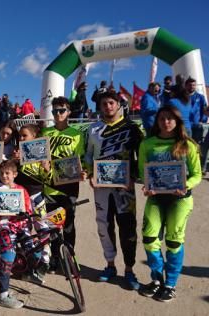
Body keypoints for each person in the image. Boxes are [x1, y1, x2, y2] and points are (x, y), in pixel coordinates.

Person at [138, 105, 201, 302]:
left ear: (177, 121)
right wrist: (146, 185)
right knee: (149, 239)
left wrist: (186, 184)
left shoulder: (187, 145)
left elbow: (197, 174)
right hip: (156, 197)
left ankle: (170, 284)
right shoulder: (147, 144)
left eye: (170, 118)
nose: (166, 122)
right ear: (157, 122)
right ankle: (157, 279)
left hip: (180, 200)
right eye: (162, 118)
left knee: (174, 242)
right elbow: (143, 171)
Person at [84, 91, 144, 290]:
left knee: (127, 227)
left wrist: (133, 177)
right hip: (101, 187)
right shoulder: (93, 129)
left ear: (119, 104)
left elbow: (140, 157)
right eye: (104, 104)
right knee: (104, 226)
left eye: (111, 102)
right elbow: (88, 156)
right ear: (100, 107)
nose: (108, 106)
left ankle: (129, 269)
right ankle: (110, 265)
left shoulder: (132, 128)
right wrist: (90, 173)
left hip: (124, 188)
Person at [42, 96, 86, 273]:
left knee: (68, 223)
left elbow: (81, 158)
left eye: (61, 110)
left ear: (69, 112)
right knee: (53, 223)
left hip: (69, 184)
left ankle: (70, 256)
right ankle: (54, 257)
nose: (58, 114)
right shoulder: (46, 133)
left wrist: (83, 171)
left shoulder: (77, 134)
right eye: (55, 111)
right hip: (50, 184)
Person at [0, 160, 32, 309]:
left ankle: (30, 271)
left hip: (20, 226)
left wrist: (25, 213)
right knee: (8, 256)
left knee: (33, 247)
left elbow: (29, 207)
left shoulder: (21, 189)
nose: (4, 176)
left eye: (8, 173)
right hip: (3, 227)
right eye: (2, 173)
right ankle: (3, 294)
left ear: (15, 175)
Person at [13, 124, 51, 283]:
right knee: (24, 230)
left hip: (36, 196)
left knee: (43, 228)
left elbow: (48, 177)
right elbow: (9, 174)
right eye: (20, 136)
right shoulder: (17, 152)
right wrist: (14, 161)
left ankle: (45, 261)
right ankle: (29, 264)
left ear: (34, 138)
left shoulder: (42, 153)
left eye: (24, 136)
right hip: (21, 197)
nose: (21, 139)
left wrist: (45, 166)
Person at [185, 77, 208, 144]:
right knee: (187, 143)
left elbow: (204, 110)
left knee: (197, 144)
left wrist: (202, 120)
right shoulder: (182, 97)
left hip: (197, 125)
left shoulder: (200, 97)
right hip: (186, 125)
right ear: (186, 86)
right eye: (190, 85)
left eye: (193, 85)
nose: (192, 87)